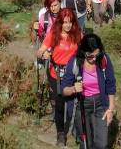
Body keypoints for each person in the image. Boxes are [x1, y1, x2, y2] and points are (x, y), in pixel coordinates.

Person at [37, 8, 84, 147]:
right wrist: (43, 54)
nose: (68, 25)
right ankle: (60, 133)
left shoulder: (77, 35)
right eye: (65, 22)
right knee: (59, 103)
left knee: (73, 101)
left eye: (70, 22)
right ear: (60, 23)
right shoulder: (53, 34)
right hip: (55, 74)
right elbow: (40, 51)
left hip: (72, 74)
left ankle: (76, 130)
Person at [62, 33, 116, 149]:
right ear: (83, 52)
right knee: (86, 143)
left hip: (101, 104)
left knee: (102, 144)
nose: (94, 59)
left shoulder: (103, 59)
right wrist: (73, 89)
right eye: (90, 56)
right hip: (82, 105)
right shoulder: (75, 62)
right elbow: (64, 89)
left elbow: (110, 84)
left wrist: (110, 109)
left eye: (96, 55)